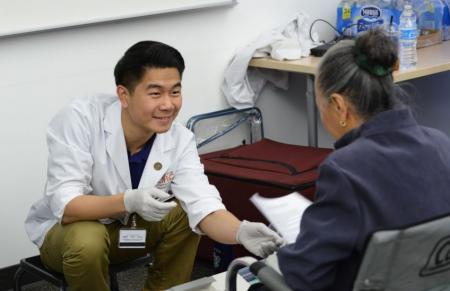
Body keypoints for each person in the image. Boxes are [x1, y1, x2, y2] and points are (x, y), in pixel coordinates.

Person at [25, 40, 284, 291]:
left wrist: (240, 232)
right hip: (68, 239)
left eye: (175, 91)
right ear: (124, 95)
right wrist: (128, 201)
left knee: (184, 213)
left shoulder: (179, 139)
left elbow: (203, 206)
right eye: (155, 93)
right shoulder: (80, 119)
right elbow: (67, 205)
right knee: (88, 239)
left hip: (127, 236)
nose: (168, 104)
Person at [276, 29, 450, 290]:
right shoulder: (441, 144)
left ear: (338, 106)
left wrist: (286, 249)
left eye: (320, 105)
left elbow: (306, 276)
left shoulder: (344, 170)